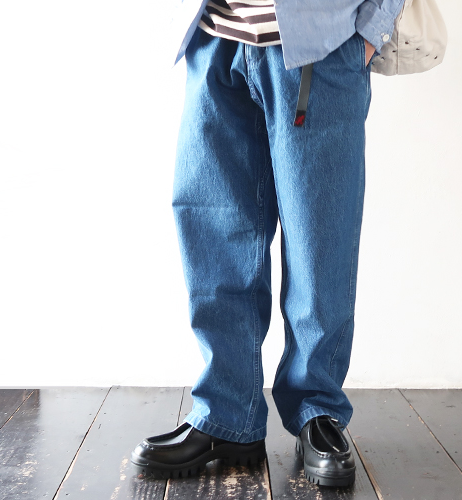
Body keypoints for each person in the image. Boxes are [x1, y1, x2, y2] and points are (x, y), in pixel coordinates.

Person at [131, 0, 404, 488]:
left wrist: (371, 30)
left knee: (321, 240)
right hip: (214, 37)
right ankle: (226, 416)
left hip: (320, 46)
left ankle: (317, 410)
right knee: (214, 235)